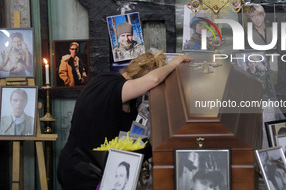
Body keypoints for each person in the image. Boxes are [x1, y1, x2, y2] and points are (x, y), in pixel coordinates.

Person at [57, 51, 192, 190]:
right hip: (82, 172)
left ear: (132, 62)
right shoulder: (115, 87)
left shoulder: (109, 82)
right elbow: (154, 80)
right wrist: (174, 63)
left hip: (75, 164)